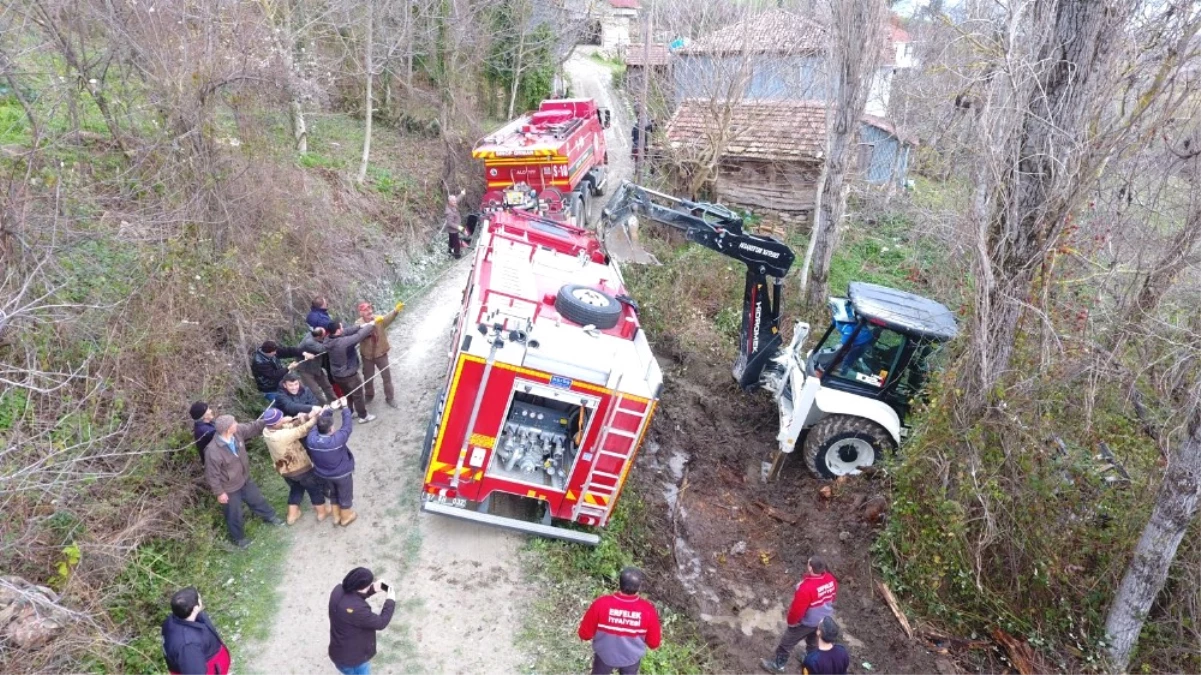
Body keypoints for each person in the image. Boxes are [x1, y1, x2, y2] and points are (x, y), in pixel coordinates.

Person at [203, 414, 283, 548]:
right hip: (229, 488)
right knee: (234, 514)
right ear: (228, 429)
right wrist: (219, 493)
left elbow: (254, 426)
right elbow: (212, 475)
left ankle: (270, 517)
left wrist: (270, 419)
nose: (237, 423)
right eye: (234, 422)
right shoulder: (212, 451)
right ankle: (239, 539)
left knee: (257, 499)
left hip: (244, 479)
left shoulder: (237, 431)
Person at [578, 566, 662, 675]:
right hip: (631, 658)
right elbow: (654, 643)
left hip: (604, 655)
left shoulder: (601, 603)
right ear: (639, 587)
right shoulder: (647, 610)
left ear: (619, 583)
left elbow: (585, 634)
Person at [761, 556, 839, 673]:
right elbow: (832, 597)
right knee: (813, 643)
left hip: (807, 623)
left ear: (811, 569)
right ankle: (809, 661)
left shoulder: (805, 588)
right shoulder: (831, 579)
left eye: (808, 564)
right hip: (822, 621)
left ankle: (778, 666)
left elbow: (797, 610)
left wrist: (792, 622)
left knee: (786, 643)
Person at [260, 405, 329, 525]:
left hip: (285, 470)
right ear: (275, 423)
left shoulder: (267, 431)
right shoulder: (280, 436)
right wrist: (317, 417)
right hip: (299, 469)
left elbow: (289, 425)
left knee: (296, 488)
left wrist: (308, 415)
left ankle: (292, 515)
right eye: (280, 419)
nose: (284, 419)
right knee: (314, 488)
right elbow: (301, 430)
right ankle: (322, 512)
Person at [328, 567, 395, 675]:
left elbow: (353, 598)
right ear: (362, 587)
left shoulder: (337, 590)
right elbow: (381, 622)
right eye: (369, 585)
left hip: (338, 652)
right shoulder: (358, 610)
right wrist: (390, 600)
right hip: (353, 661)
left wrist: (372, 589)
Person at [307, 400, 359, 526]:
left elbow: (317, 424)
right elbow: (347, 426)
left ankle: (336, 516)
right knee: (345, 493)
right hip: (341, 474)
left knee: (334, 492)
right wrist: (345, 407)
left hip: (324, 474)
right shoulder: (337, 439)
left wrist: (330, 409)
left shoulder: (311, 438)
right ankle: (346, 516)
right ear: (331, 429)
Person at [162, 587, 231, 675]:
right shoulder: (188, 646)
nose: (201, 600)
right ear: (194, 608)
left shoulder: (173, 619)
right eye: (199, 598)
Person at [354, 301, 404, 409]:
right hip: (367, 356)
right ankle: (369, 395)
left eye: (370, 308)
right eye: (366, 310)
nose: (369, 311)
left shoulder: (378, 319)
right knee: (368, 378)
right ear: (361, 313)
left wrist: (395, 311)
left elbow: (387, 319)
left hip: (381, 353)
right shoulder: (358, 323)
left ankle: (390, 398)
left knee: (387, 377)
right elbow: (361, 332)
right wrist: (372, 324)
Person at [325, 320, 378, 423]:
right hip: (348, 374)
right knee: (358, 394)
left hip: (337, 375)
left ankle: (350, 412)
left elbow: (346, 331)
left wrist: (360, 326)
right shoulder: (341, 342)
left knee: (347, 394)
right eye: (341, 327)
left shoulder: (328, 339)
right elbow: (358, 337)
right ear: (337, 331)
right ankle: (363, 416)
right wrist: (370, 325)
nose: (343, 329)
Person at [297, 326, 336, 403]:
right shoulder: (310, 342)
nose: (325, 337)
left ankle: (334, 401)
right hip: (306, 370)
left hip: (316, 366)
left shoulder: (313, 335)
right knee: (315, 391)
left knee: (327, 385)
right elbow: (323, 349)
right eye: (323, 336)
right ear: (318, 337)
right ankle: (324, 407)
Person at [445, 189, 466, 259]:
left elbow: (457, 200)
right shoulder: (449, 212)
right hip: (453, 230)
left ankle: (450, 250)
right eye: (453, 201)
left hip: (453, 230)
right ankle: (457, 254)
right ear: (450, 202)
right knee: (456, 243)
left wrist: (462, 194)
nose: (455, 202)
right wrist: (459, 227)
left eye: (455, 200)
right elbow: (450, 223)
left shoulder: (452, 204)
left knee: (451, 240)